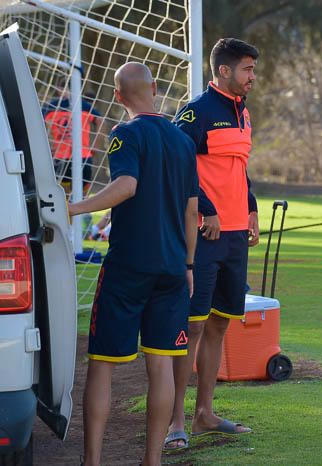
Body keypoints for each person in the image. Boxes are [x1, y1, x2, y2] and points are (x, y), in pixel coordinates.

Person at [68, 62, 199, 466]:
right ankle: (152, 460)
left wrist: (72, 209)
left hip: (128, 267)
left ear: (118, 96)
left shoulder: (124, 133)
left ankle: (92, 461)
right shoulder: (182, 140)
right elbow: (192, 211)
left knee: (103, 364)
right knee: (160, 365)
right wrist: (189, 265)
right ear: (156, 89)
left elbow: (127, 186)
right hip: (173, 268)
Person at [165, 37, 260, 450]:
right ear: (224, 71)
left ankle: (204, 414)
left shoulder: (243, 114)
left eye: (253, 70)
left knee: (220, 323)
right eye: (247, 70)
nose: (253, 77)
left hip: (237, 236)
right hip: (205, 234)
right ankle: (174, 423)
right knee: (193, 325)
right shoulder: (196, 112)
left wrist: (252, 207)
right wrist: (207, 210)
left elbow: (240, 168)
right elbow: (177, 165)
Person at [43, 83, 104, 195]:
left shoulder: (51, 106)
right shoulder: (82, 105)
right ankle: (76, 209)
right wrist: (96, 145)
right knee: (75, 194)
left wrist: (48, 144)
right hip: (70, 156)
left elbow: (38, 123)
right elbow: (100, 120)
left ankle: (73, 209)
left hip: (73, 156)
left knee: (67, 194)